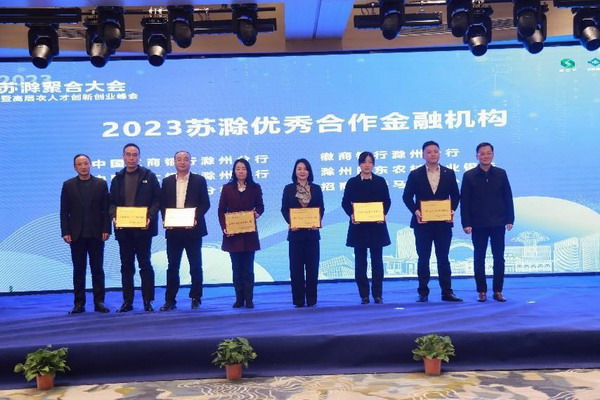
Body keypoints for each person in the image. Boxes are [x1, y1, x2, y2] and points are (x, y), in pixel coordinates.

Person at [402, 140, 462, 303]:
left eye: (435, 151)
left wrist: (451, 210)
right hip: (423, 224)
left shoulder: (449, 173)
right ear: (423, 155)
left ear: (439, 153)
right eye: (429, 152)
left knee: (443, 258)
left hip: (443, 224)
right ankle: (423, 292)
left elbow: (455, 196)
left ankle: (447, 292)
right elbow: (406, 197)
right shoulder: (415, 174)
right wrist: (416, 212)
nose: (432, 154)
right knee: (423, 258)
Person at [109, 143, 161, 312]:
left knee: (145, 265)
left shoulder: (149, 176)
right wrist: (114, 216)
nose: (131, 158)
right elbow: (111, 202)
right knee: (126, 266)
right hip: (124, 230)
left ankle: (148, 301)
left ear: (139, 157)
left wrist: (149, 217)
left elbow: (157, 199)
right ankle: (127, 301)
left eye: (135, 155)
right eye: (128, 154)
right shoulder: (117, 178)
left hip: (143, 230)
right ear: (123, 156)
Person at [460, 142, 514, 302]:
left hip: (498, 222)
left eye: (488, 153)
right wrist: (466, 223)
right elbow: (465, 201)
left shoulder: (501, 173)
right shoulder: (469, 175)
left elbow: (508, 197)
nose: (485, 156)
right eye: (482, 153)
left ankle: (498, 291)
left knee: (499, 258)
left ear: (493, 155)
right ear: (477, 156)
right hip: (478, 224)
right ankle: (481, 291)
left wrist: (510, 218)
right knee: (479, 258)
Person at [60, 154, 111, 314]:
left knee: (98, 270)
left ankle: (99, 302)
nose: (83, 166)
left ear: (90, 165)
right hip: (76, 234)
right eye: (79, 164)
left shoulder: (101, 184)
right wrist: (65, 231)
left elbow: (106, 210)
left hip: (97, 234)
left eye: (86, 163)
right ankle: (79, 303)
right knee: (78, 270)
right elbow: (64, 211)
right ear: (75, 167)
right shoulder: (68, 185)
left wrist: (107, 229)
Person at [159, 151, 210, 311]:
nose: (182, 162)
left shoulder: (199, 180)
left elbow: (205, 203)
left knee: (195, 265)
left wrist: (194, 218)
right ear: (174, 162)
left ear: (190, 162)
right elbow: (162, 204)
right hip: (173, 231)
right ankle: (170, 300)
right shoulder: (167, 181)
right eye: (179, 159)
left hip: (193, 230)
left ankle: (196, 298)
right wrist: (165, 219)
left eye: (186, 159)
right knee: (172, 266)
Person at [341, 151, 391, 304]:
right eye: (364, 162)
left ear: (373, 164)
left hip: (376, 227)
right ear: (359, 164)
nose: (367, 165)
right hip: (359, 228)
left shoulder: (380, 181)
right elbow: (345, 202)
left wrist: (382, 213)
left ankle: (377, 294)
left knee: (377, 263)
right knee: (360, 263)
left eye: (370, 162)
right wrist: (351, 214)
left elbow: (387, 201)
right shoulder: (352, 182)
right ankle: (364, 295)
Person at [218, 158, 264, 309]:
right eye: (238, 168)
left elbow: (260, 206)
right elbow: (221, 210)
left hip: (249, 234)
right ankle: (239, 299)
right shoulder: (227, 188)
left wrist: (256, 213)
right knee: (236, 269)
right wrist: (225, 228)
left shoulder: (255, 187)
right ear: (234, 171)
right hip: (233, 235)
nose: (241, 171)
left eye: (243, 168)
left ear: (248, 171)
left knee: (248, 269)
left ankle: (249, 299)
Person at [281, 159, 324, 308]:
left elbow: (321, 208)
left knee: (312, 268)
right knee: (296, 268)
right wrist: (291, 222)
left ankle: (311, 299)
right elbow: (284, 209)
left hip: (312, 235)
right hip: (295, 235)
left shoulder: (316, 188)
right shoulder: (289, 189)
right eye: (299, 169)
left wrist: (317, 221)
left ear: (309, 171)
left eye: (305, 169)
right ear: (295, 171)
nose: (302, 171)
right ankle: (298, 300)